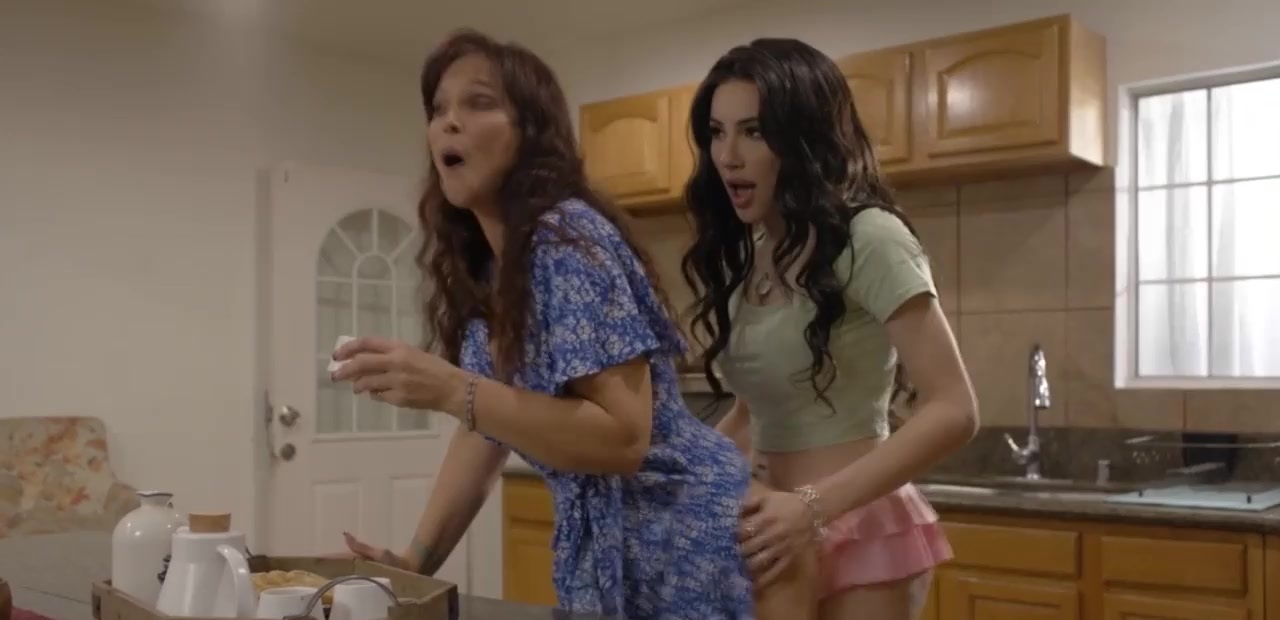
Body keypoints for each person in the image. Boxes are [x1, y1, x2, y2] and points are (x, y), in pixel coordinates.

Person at [328, 29, 759, 619]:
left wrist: (453, 389)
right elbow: (485, 427)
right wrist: (412, 564)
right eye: (438, 109)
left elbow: (624, 438)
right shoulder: (491, 272)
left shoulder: (566, 239)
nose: (448, 122)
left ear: (531, 133)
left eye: (478, 103)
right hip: (611, 556)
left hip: (686, 537)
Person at [681, 38, 980, 620]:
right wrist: (681, 468)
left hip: (859, 526)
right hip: (771, 529)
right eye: (716, 133)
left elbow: (955, 410)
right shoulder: (753, 254)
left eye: (754, 131)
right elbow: (752, 413)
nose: (728, 156)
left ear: (802, 137)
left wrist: (812, 507)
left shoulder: (870, 236)